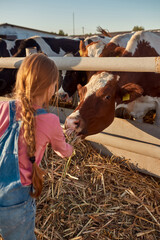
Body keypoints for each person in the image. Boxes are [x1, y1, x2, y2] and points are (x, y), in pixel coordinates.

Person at [0, 53, 74, 240]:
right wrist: (71, 145)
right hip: (16, 200)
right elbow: (63, 151)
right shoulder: (50, 120)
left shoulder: (3, 107)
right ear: (51, 87)